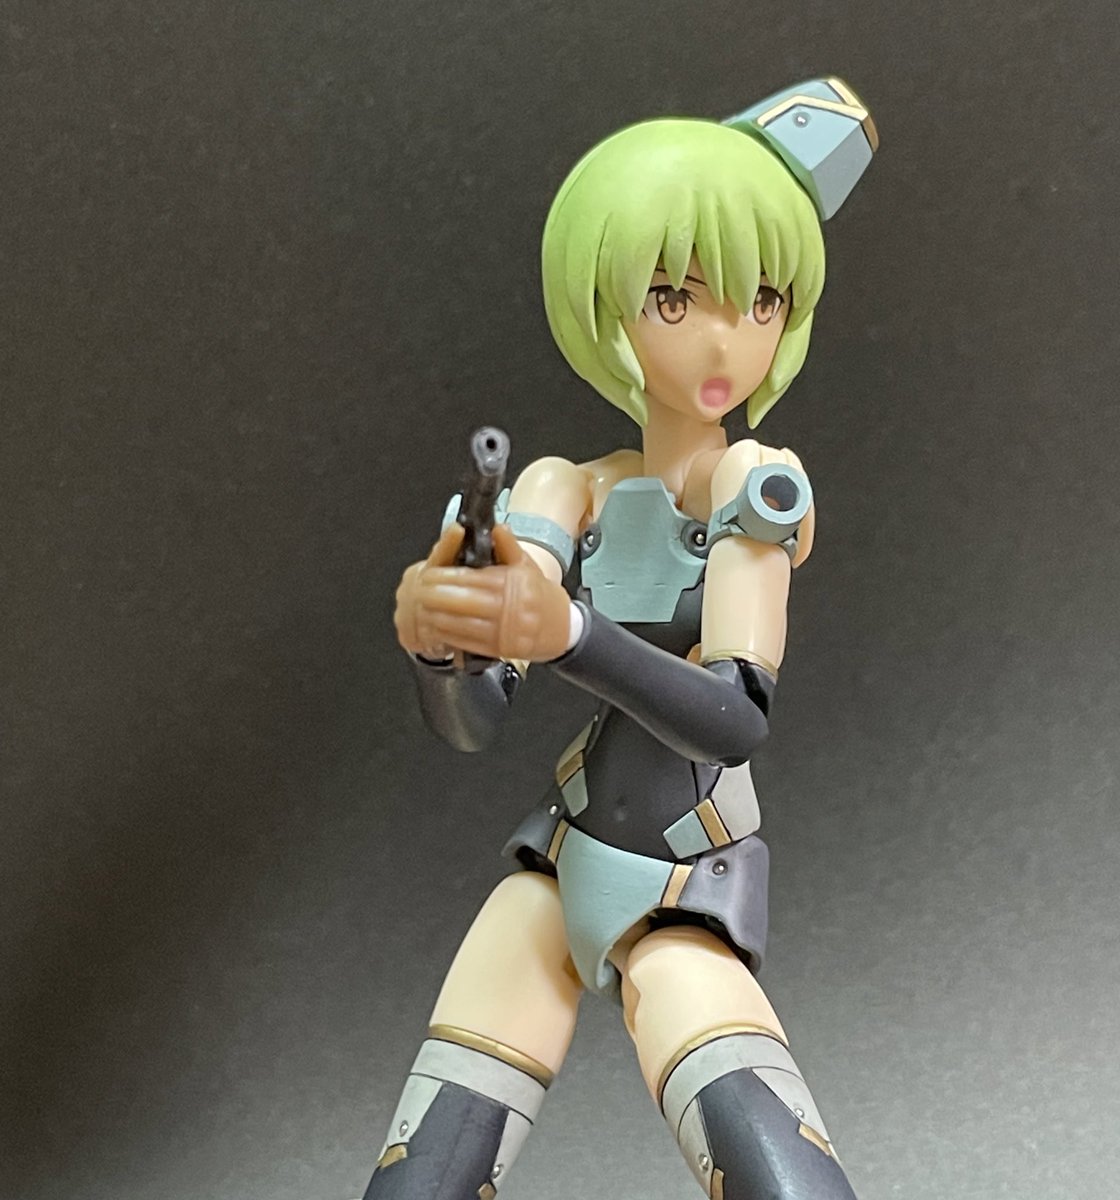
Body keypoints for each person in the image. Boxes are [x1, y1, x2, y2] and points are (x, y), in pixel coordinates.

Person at [370, 78, 878, 1200]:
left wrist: (568, 632)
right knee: (421, 1174)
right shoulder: (567, 490)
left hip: (685, 877)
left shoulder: (753, 489)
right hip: (558, 864)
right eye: (672, 297)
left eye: (760, 300)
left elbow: (733, 720)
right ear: (601, 304)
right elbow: (475, 722)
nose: (726, 337)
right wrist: (440, 645)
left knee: (779, 1175)